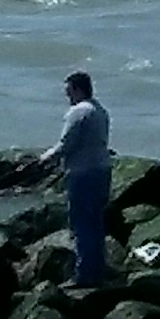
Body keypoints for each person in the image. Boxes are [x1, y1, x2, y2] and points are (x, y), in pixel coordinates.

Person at [57, 70, 114, 289]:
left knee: (81, 225)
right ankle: (97, 271)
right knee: (96, 223)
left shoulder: (78, 112)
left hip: (82, 174)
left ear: (78, 89)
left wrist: (44, 159)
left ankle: (84, 276)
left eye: (69, 91)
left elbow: (66, 144)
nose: (67, 97)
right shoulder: (100, 110)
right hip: (102, 170)